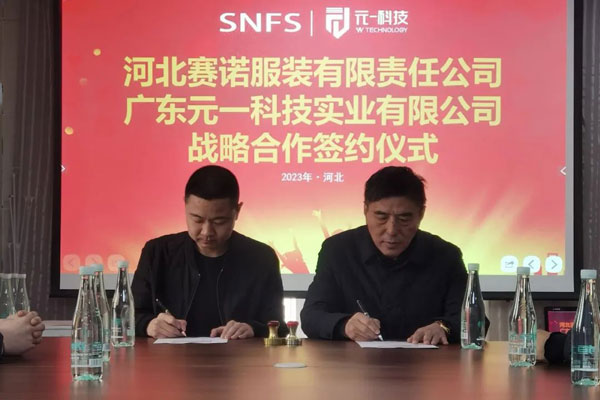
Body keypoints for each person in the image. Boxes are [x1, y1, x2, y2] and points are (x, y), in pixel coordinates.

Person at [301, 166, 468, 345]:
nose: (391, 230)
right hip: (354, 362)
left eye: (404, 219)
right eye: (381, 217)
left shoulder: (445, 256)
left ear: (421, 214)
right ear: (365, 210)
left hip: (426, 361)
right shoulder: (338, 251)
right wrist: (345, 325)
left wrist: (443, 327)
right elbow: (312, 316)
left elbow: (474, 319)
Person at [132, 165, 286, 339]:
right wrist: (148, 325)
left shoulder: (261, 258)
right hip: (170, 356)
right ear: (185, 206)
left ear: (237, 211)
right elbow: (128, 316)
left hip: (237, 356)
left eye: (219, 222)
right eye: (197, 220)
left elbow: (279, 326)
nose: (207, 232)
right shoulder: (157, 253)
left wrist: (253, 329)